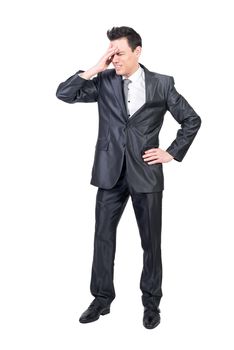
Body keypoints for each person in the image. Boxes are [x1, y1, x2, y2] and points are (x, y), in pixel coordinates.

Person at [56, 26, 201, 329]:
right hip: (110, 173)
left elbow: (191, 119)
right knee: (103, 238)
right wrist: (97, 66)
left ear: (138, 51)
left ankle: (151, 303)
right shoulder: (106, 81)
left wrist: (171, 152)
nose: (114, 58)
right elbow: (64, 94)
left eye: (119, 52)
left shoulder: (162, 84)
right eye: (110, 52)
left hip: (146, 174)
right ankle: (101, 299)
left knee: (151, 242)